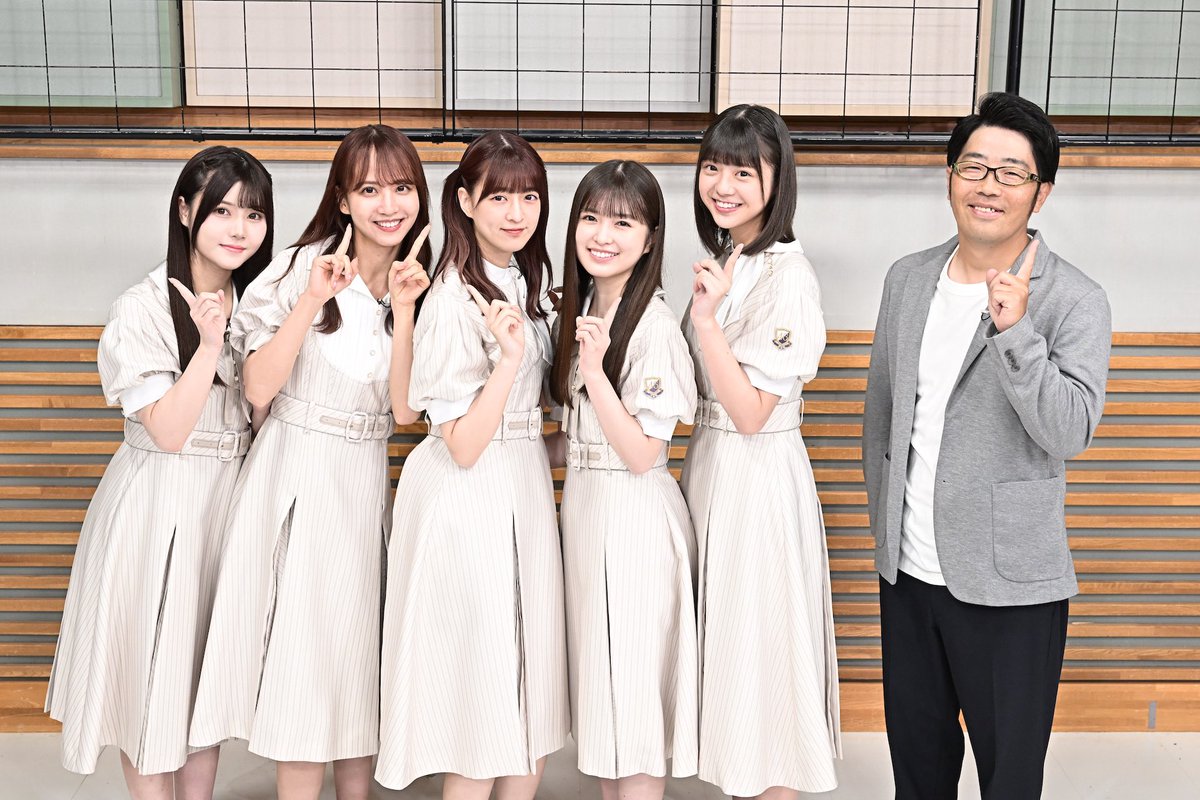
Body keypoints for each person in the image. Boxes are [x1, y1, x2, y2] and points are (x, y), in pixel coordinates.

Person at [862, 91, 1112, 799]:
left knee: (1009, 781)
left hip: (1011, 587)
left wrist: (1016, 333)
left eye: (1011, 173)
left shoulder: (1075, 298)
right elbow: (882, 416)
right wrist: (887, 534)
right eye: (973, 167)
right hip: (909, 575)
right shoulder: (908, 279)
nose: (988, 186)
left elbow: (1070, 431)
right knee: (918, 774)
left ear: (1041, 193)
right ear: (950, 177)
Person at [188, 124, 431, 800]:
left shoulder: (422, 283)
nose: (389, 205)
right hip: (295, 471)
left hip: (364, 483)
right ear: (342, 199)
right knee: (301, 667)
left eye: (403, 188)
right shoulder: (301, 266)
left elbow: (407, 412)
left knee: (354, 666)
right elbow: (258, 387)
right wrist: (312, 300)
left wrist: (407, 308)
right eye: (369, 189)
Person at [47, 146, 274, 800]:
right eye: (222, 210)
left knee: (201, 686)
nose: (239, 228)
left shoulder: (257, 302)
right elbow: (169, 431)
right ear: (183, 211)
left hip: (227, 502)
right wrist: (208, 347)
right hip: (158, 503)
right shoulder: (141, 307)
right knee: (149, 684)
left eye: (253, 214)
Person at [376, 130, 569, 798]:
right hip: (467, 496)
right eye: (499, 198)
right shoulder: (453, 297)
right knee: (480, 699)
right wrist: (510, 363)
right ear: (464, 201)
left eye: (530, 198)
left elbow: (530, 425)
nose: (517, 213)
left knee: (527, 691)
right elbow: (460, 442)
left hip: (519, 485)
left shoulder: (527, 283)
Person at [681, 104, 841, 798]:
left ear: (778, 180)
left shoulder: (787, 275)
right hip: (714, 467)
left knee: (764, 654)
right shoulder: (733, 258)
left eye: (744, 172)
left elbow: (750, 412)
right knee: (733, 653)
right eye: (713, 167)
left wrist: (705, 320)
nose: (724, 185)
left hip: (757, 475)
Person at [548, 160, 699, 799]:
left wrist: (594, 370)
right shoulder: (581, 307)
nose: (602, 235)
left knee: (632, 707)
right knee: (607, 709)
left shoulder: (654, 326)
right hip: (587, 513)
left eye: (623, 222)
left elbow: (641, 452)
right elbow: (573, 440)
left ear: (650, 237)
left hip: (634, 519)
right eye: (590, 218)